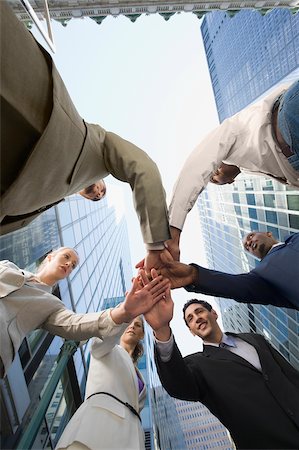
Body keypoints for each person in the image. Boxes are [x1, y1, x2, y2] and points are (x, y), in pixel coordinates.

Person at [0, 1, 171, 272]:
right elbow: (143, 169)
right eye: (103, 190)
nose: (99, 193)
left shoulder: (50, 198)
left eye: (96, 198)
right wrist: (155, 246)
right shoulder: (98, 148)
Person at [144, 295, 299, 449]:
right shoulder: (197, 365)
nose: (197, 318)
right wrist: (162, 329)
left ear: (214, 314)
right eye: (190, 319)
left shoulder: (255, 339)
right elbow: (178, 386)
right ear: (191, 331)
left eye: (200, 311)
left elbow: (290, 374)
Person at [166, 80, 299, 260]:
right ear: (229, 182)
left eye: (212, 172)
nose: (213, 173)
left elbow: (197, 165)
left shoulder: (235, 129)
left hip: (289, 117)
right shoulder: (250, 165)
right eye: (214, 179)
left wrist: (172, 233)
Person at [0, 248, 169, 378]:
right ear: (50, 256)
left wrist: (124, 311)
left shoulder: (52, 305)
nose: (69, 264)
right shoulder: (8, 266)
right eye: (66, 257)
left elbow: (76, 325)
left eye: (73, 265)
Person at [56, 316, 147, 450]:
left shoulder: (140, 377)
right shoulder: (107, 347)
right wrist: (124, 316)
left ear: (142, 335)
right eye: (129, 322)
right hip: (95, 428)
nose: (132, 326)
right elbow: (100, 340)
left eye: (138, 325)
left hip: (128, 439)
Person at [159, 230, 299, 310]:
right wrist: (193, 275)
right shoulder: (262, 275)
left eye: (250, 236)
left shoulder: (294, 238)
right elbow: (237, 287)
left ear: (268, 234)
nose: (249, 243)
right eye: (247, 247)